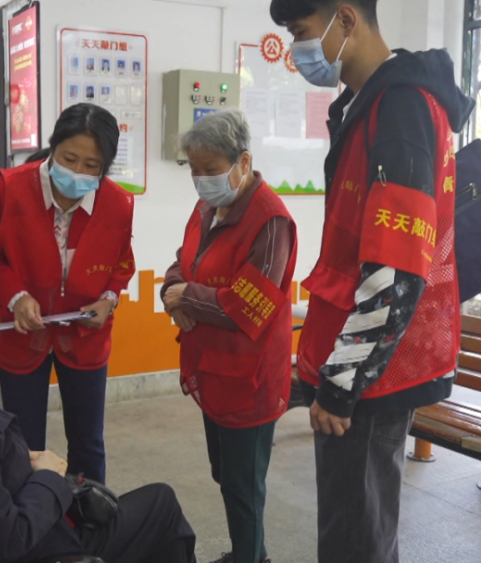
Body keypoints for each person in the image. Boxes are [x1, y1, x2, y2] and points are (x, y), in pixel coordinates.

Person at [269, 1, 474, 561]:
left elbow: (397, 266)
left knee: (355, 539)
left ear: (346, 19)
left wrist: (342, 384)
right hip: (358, 356)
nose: (297, 50)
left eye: (301, 32)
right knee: (355, 527)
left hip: (370, 373)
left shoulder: (401, 107)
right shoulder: (368, 103)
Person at [0, 265, 196, 563]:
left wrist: (15, 463)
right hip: (47, 548)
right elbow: (9, 539)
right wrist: (48, 477)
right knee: (162, 504)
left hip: (7, 520)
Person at [0, 103, 135, 485]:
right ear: (53, 147)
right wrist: (16, 297)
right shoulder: (10, 190)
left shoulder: (117, 204)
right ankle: (31, 513)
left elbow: (122, 264)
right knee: (24, 442)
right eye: (69, 159)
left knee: (88, 442)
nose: (77, 172)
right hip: (21, 333)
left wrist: (108, 300)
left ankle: (90, 512)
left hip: (85, 336)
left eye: (91, 165)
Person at [161, 109, 296, 563]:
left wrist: (187, 296)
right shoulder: (207, 208)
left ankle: (250, 557)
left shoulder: (271, 221)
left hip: (249, 379)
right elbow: (183, 261)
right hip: (213, 368)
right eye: (194, 170)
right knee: (226, 475)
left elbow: (249, 306)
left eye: (211, 169)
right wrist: (171, 292)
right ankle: (249, 554)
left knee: (243, 486)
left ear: (243, 161)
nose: (201, 181)